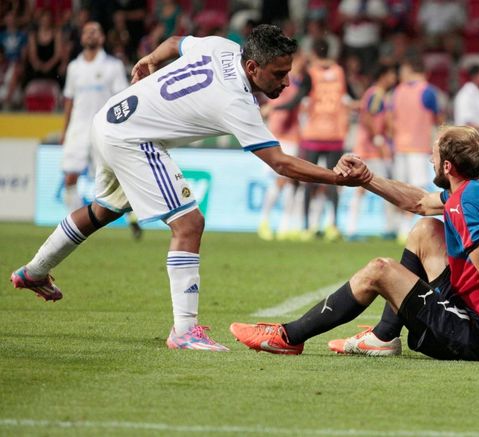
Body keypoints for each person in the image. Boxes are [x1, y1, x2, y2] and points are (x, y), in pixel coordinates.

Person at [10, 25, 371, 352]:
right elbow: (281, 163)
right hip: (133, 138)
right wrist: (338, 178)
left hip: (109, 117)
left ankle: (34, 271)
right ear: (252, 68)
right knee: (189, 224)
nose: (286, 82)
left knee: (104, 209)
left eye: (288, 72)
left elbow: (172, 42)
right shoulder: (237, 101)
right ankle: (184, 331)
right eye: (279, 74)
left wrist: (148, 59)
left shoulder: (221, 47)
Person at [230, 126, 479, 363]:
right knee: (426, 229)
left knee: (380, 270)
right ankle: (385, 336)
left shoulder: (464, 203)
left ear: (448, 166)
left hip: (474, 335)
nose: (430, 160)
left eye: (435, 157)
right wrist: (366, 178)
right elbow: (418, 202)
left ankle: (288, 337)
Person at [60, 21, 143, 239]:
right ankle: (75, 226)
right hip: (78, 129)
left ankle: (133, 219)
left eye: (95, 31)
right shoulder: (74, 68)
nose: (90, 35)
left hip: (103, 130)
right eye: (87, 31)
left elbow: (120, 99)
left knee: (116, 178)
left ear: (102, 38)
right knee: (70, 177)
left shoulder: (112, 66)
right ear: (81, 38)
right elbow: (69, 100)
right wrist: (65, 130)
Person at [272, 38, 351, 241]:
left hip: (314, 136)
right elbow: (351, 95)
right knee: (336, 181)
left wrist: (275, 107)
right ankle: (333, 225)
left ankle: (307, 226)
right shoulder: (340, 73)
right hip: (335, 135)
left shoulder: (311, 74)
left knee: (309, 180)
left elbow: (296, 101)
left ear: (314, 55)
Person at [389, 56, 444, 244]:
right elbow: (439, 119)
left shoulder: (398, 91)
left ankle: (398, 227)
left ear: (410, 68)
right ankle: (409, 229)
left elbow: (390, 118)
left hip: (399, 145)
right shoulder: (427, 91)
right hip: (418, 147)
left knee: (399, 187)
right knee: (418, 190)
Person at [346, 64, 398, 241]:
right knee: (383, 187)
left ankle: (354, 228)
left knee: (367, 188)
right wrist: (377, 137)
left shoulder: (378, 94)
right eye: (391, 74)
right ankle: (388, 227)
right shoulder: (376, 94)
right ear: (383, 75)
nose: (394, 78)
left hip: (370, 148)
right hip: (370, 149)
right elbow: (367, 115)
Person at [257, 52, 305, 241]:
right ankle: (265, 221)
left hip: (293, 137)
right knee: (280, 181)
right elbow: (278, 107)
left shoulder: (297, 84)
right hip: (279, 137)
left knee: (292, 182)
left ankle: (287, 225)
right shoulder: (284, 83)